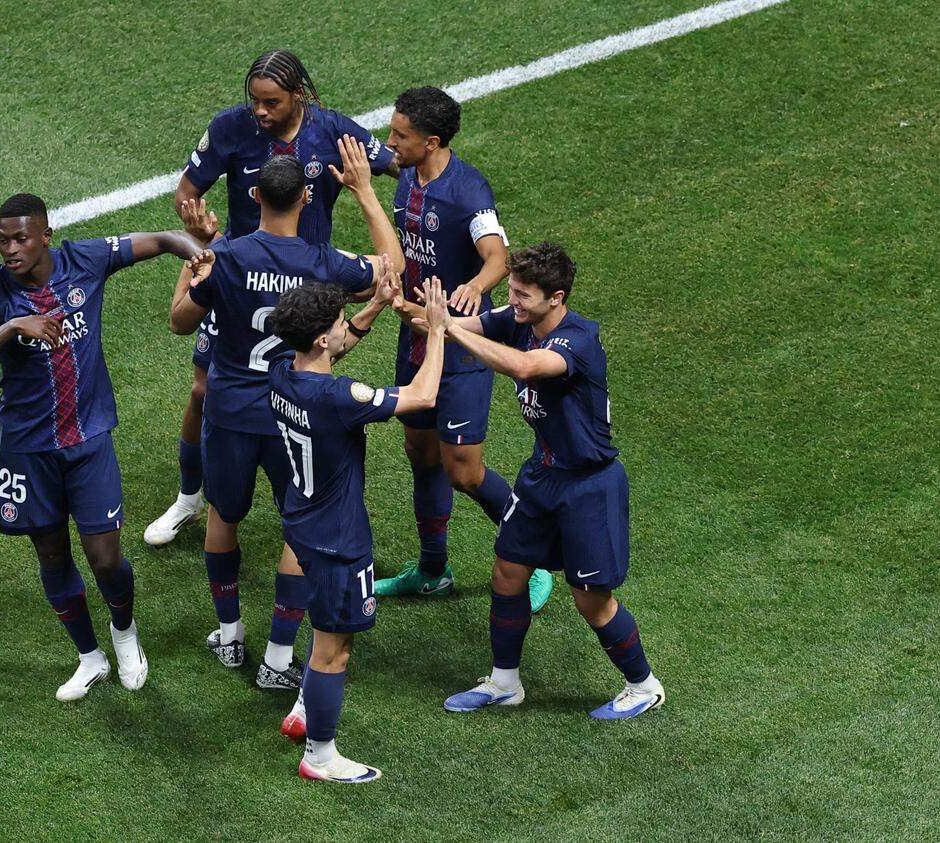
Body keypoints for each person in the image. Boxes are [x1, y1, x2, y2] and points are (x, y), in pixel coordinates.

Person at [0, 193, 206, 701]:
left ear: (45, 236)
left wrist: (199, 254)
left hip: (88, 441)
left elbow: (163, 240)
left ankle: (124, 634)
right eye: (3, 240)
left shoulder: (85, 259)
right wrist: (11, 327)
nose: (10, 249)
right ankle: (89, 657)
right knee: (53, 554)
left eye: (20, 238)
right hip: (27, 449)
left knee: (105, 558)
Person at [169, 143, 402, 691]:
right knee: (297, 531)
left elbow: (180, 321)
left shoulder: (228, 257)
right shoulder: (322, 263)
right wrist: (366, 193)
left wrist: (195, 256)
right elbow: (389, 266)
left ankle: (229, 635)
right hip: (292, 411)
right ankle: (277, 658)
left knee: (223, 517)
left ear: (253, 197)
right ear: (306, 197)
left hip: (228, 410)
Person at [144, 48, 399, 547]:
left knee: (306, 387)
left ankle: (303, 496)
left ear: (297, 96)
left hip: (310, 279)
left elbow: (399, 164)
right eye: (254, 101)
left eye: (271, 102)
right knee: (203, 389)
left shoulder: (332, 131)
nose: (259, 112)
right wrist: (200, 231)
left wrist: (429, 197)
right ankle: (190, 496)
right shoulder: (229, 130)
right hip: (240, 275)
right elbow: (186, 193)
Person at [428, 242, 665, 719]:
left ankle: (643, 685)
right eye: (511, 291)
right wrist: (411, 307)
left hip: (590, 485)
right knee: (508, 572)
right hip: (543, 475)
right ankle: (504, 682)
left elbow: (523, 367)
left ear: (555, 298)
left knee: (591, 601)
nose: (511, 301)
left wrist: (447, 327)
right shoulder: (522, 321)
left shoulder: (577, 341)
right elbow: (463, 328)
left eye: (522, 295)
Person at [375, 86, 554, 611]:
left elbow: (498, 256)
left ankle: (536, 555)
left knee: (464, 470)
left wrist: (476, 287)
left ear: (431, 141)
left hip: (463, 348)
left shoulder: (469, 191)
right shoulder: (407, 173)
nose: (392, 143)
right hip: (415, 338)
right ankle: (433, 570)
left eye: (400, 136)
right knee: (420, 454)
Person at [268, 275, 451, 783]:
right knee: (336, 647)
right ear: (322, 338)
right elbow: (422, 394)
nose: (344, 328)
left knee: (324, 623)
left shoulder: (281, 369)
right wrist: (435, 331)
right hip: (338, 540)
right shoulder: (336, 397)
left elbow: (334, 349)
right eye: (337, 323)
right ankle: (320, 756)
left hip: (301, 523)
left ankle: (305, 705)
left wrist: (372, 305)